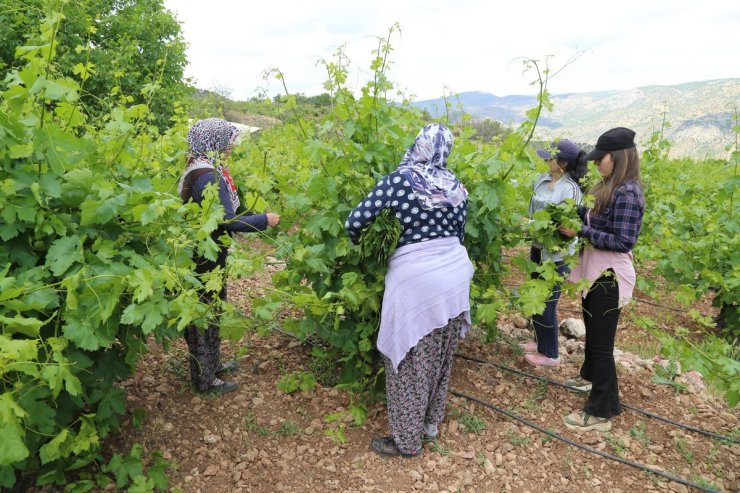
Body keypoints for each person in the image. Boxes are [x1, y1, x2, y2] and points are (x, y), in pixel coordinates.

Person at [345, 123, 474, 458]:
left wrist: (373, 247)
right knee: (440, 355)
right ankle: (429, 425)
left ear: (419, 145)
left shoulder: (400, 180)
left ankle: (406, 441)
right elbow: (460, 233)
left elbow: (355, 221)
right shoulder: (456, 185)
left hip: (419, 280)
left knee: (409, 360)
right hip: (456, 274)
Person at [179, 118, 280, 394]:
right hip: (203, 257)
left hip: (205, 253)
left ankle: (212, 365)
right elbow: (227, 220)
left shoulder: (200, 168)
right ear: (214, 142)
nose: (231, 147)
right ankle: (205, 380)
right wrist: (265, 219)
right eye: (228, 141)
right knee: (204, 313)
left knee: (213, 307)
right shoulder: (207, 176)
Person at [558, 127, 645, 431]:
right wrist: (569, 218)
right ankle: (595, 384)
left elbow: (624, 240)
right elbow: (590, 220)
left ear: (618, 157)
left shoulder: (628, 193)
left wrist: (580, 231)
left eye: (601, 158)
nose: (596, 163)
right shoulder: (607, 186)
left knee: (603, 344)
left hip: (610, 277)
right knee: (594, 336)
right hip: (595, 273)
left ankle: (599, 413)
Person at [521, 139, 587, 367]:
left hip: (556, 255)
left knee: (547, 302)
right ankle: (540, 341)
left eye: (550, 157)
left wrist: (530, 224)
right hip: (538, 247)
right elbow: (533, 210)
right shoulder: (544, 180)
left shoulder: (571, 190)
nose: (546, 159)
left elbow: (562, 226)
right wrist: (531, 224)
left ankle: (551, 355)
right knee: (534, 297)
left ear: (563, 163)